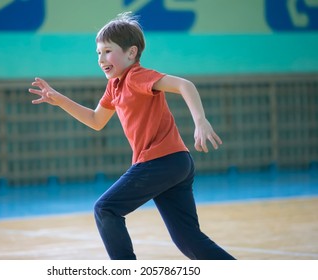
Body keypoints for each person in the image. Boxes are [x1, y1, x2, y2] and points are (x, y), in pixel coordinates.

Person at [29, 12, 235, 260]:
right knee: (188, 239)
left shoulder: (137, 76)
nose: (101, 58)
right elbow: (96, 120)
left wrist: (200, 121)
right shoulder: (114, 86)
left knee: (106, 209)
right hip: (175, 163)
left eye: (107, 51)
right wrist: (59, 100)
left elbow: (184, 85)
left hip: (160, 161)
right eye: (98, 53)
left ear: (131, 53)